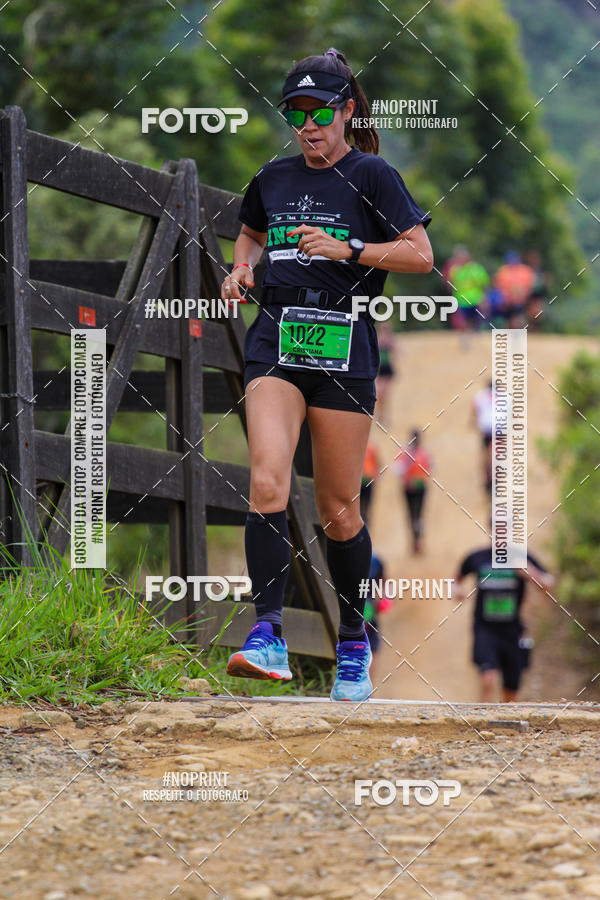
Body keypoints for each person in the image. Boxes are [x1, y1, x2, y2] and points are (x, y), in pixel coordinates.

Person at [221, 48, 433, 701]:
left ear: (345, 111)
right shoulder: (274, 177)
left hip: (344, 348)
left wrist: (352, 249)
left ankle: (350, 642)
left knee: (340, 508)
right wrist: (241, 269)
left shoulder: (373, 176)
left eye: (318, 112)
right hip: (277, 339)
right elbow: (250, 233)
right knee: (266, 480)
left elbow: (421, 256)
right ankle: (268, 634)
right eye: (295, 113)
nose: (307, 125)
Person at [453, 541, 554, 702]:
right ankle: (484, 724)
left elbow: (548, 584)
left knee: (511, 693)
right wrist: (456, 590)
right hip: (485, 628)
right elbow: (456, 578)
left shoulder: (522, 557)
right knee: (488, 678)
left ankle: (508, 725)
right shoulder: (478, 557)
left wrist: (529, 572)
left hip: (513, 630)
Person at [392, 429, 432, 554]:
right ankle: (414, 540)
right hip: (408, 488)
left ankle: (417, 539)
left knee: (418, 514)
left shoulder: (423, 453)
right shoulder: (405, 453)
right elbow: (397, 469)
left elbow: (430, 469)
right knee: (411, 514)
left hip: (420, 488)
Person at [445, 247, 490, 344]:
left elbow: (484, 284)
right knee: (462, 320)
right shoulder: (455, 270)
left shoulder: (476, 269)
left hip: (475, 299)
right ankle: (465, 337)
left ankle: (473, 337)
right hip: (461, 300)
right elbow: (450, 284)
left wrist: (483, 298)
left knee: (474, 320)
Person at [493, 252, 536, 328]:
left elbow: (531, 286)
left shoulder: (525, 271)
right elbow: (498, 287)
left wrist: (523, 295)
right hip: (507, 302)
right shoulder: (503, 271)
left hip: (523, 301)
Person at [472, 381, 494, 495]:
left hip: (486, 428)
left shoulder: (480, 395)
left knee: (485, 454)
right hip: (499, 429)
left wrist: (474, 421)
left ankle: (487, 475)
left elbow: (475, 409)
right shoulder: (505, 396)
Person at [375, 321, 397, 426]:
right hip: (380, 369)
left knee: (384, 395)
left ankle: (384, 417)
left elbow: (396, 351)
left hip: (386, 369)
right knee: (380, 395)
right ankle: (381, 416)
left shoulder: (389, 339)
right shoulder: (378, 339)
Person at [360, 441, 380, 525]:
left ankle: (366, 528)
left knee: (366, 509)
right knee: (359, 509)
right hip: (358, 484)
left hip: (368, 482)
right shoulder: (355, 447)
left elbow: (377, 464)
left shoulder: (371, 448)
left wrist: (374, 477)